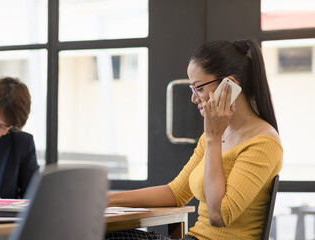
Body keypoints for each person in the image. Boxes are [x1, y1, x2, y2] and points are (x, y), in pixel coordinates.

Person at [106, 39, 283, 240]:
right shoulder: (212, 136)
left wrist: (213, 139)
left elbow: (218, 216)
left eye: (198, 88)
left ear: (229, 86)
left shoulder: (263, 142)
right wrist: (105, 200)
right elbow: (176, 193)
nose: (194, 98)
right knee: (98, 233)